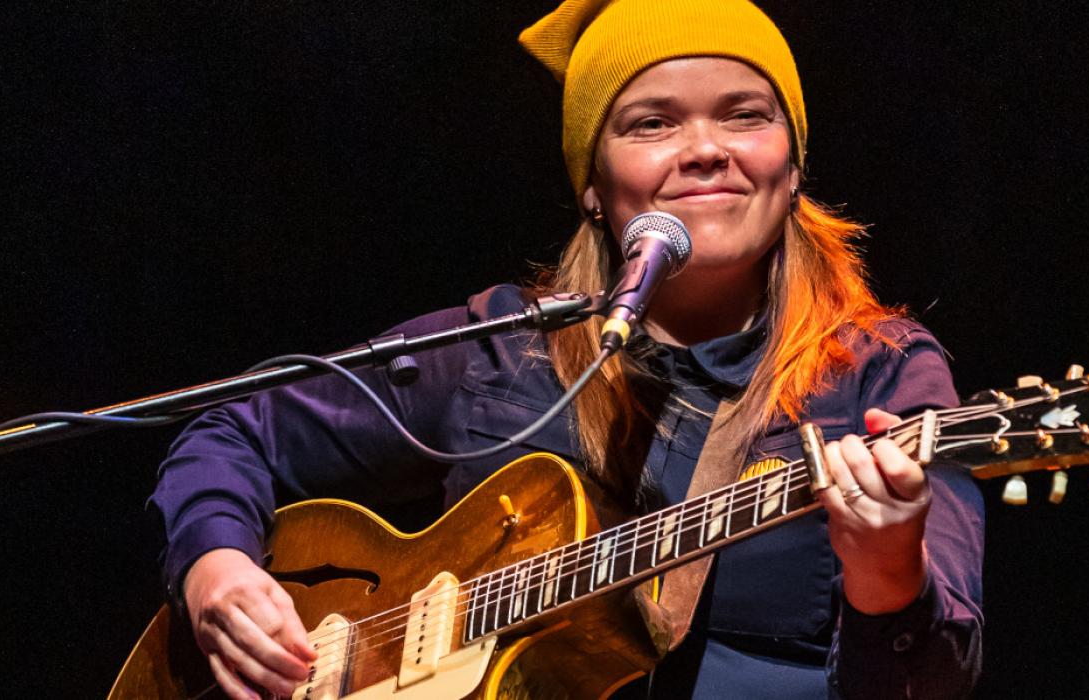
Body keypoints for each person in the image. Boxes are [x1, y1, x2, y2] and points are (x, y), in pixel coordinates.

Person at [149, 0, 984, 697]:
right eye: (652, 124)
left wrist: (887, 575)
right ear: (593, 181)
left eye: (746, 115)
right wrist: (215, 567)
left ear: (792, 162)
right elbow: (235, 430)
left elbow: (940, 676)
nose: (704, 148)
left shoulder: (880, 373)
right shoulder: (506, 350)